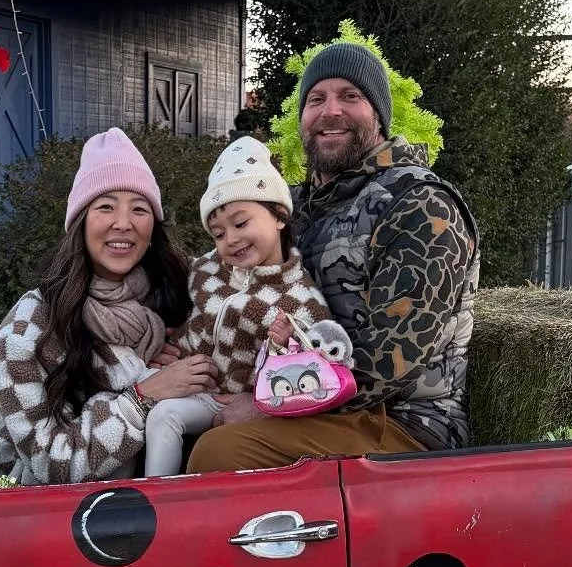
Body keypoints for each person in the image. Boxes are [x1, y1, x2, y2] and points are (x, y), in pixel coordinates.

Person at [186, 42, 479, 473]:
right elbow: (222, 277)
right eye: (316, 99)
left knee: (221, 452)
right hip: (301, 399)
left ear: (378, 114)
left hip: (401, 423)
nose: (330, 111)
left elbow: (388, 361)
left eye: (350, 96)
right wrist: (177, 347)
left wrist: (269, 404)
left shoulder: (421, 207)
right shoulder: (294, 205)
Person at [0, 128, 214, 484]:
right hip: (55, 523)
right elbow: (51, 463)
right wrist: (144, 394)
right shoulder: (30, 326)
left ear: (153, 226)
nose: (123, 223)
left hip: (163, 516)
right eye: (105, 206)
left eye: (139, 209)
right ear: (80, 221)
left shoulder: (171, 299)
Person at [142, 136, 351, 476]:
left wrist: (262, 402)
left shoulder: (299, 300)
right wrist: (167, 348)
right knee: (156, 409)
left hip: (247, 404)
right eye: (218, 233)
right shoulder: (205, 271)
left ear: (279, 216)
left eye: (241, 224)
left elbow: (314, 378)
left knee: (170, 417)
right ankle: (149, 493)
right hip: (198, 387)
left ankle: (170, 504)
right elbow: (187, 320)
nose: (231, 240)